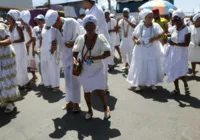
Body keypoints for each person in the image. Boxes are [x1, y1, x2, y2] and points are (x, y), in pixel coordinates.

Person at [73, 15, 111, 120]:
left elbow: (108, 52)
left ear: (96, 27)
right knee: (87, 91)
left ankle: (105, 107)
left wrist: (94, 57)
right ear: (84, 28)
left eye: (92, 28)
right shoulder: (80, 39)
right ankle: (90, 110)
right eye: (87, 28)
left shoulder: (101, 38)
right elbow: (75, 52)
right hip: (85, 68)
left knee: (100, 91)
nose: (90, 30)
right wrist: (74, 60)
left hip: (98, 68)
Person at [45, 9, 81, 111]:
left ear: (58, 19)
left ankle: (76, 103)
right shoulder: (53, 29)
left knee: (75, 82)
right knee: (67, 82)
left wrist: (73, 43)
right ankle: (69, 101)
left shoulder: (71, 22)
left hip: (75, 57)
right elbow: (53, 42)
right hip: (64, 58)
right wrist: (52, 47)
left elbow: (81, 38)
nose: (53, 27)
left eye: (54, 24)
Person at [127, 9, 164, 91]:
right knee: (140, 66)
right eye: (149, 17)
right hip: (141, 50)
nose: (151, 18)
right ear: (144, 18)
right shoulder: (139, 26)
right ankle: (140, 84)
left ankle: (152, 83)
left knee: (152, 65)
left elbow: (161, 36)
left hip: (152, 49)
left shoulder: (156, 26)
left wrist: (154, 38)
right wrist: (136, 41)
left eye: (151, 17)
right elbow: (133, 36)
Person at [83, 0, 111, 92]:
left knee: (102, 64)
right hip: (92, 40)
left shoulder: (97, 11)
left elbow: (95, 28)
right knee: (94, 64)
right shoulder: (89, 11)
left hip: (100, 41)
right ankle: (97, 85)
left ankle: (104, 87)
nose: (83, 3)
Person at [164, 9, 191, 95]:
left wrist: (174, 43)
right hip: (173, 53)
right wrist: (166, 38)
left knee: (181, 72)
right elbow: (168, 35)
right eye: (173, 20)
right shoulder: (173, 29)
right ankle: (177, 89)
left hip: (182, 54)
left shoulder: (187, 30)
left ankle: (186, 85)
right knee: (173, 71)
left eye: (177, 19)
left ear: (182, 19)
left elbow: (186, 43)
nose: (175, 21)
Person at [7, 10, 30, 91]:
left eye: (9, 17)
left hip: (20, 49)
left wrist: (12, 41)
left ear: (13, 18)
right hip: (13, 48)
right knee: (15, 66)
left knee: (21, 66)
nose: (7, 18)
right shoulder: (10, 27)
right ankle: (18, 83)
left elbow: (22, 39)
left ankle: (24, 83)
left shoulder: (18, 27)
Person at [0, 23, 20, 113]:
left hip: (6, 57)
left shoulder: (1, 26)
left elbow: (9, 40)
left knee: (7, 79)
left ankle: (10, 102)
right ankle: (4, 99)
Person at [40, 12, 60, 91]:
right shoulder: (44, 26)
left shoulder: (54, 27)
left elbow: (55, 40)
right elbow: (42, 37)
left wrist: (52, 49)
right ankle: (48, 83)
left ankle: (55, 85)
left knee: (53, 67)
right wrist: (40, 47)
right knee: (45, 67)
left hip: (51, 50)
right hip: (44, 49)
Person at [20, 10, 38, 83]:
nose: (20, 21)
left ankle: (34, 76)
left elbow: (33, 38)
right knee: (28, 63)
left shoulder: (28, 27)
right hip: (26, 46)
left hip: (29, 47)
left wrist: (27, 45)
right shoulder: (24, 27)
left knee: (30, 62)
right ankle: (34, 76)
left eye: (21, 19)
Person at [33, 14, 45, 85]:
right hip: (37, 49)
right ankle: (43, 79)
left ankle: (47, 79)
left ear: (43, 20)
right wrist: (33, 49)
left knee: (46, 65)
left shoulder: (47, 27)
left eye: (40, 20)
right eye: (38, 20)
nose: (39, 21)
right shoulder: (35, 28)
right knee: (39, 65)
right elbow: (34, 39)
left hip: (45, 48)